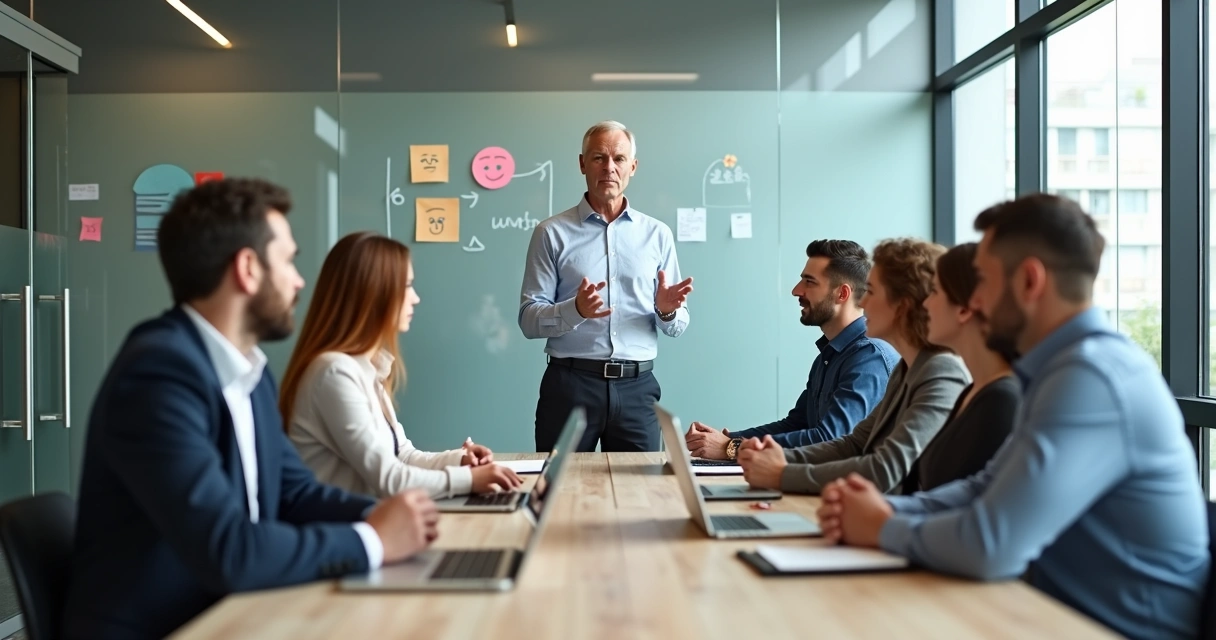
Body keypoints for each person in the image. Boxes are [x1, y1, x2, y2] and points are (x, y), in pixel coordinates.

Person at [816, 194, 1211, 640]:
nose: (975, 298)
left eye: (982, 279)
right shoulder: (1059, 369)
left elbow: (992, 543)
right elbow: (985, 489)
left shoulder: (1092, 377)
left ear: (1028, 281)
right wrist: (884, 508)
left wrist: (883, 526)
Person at [62, 178, 439, 639]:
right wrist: (374, 539)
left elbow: (295, 494)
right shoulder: (159, 374)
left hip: (233, 611)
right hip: (170, 627)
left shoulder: (248, 369)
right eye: (288, 260)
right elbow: (229, 549)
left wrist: (394, 518)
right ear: (247, 268)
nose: (300, 280)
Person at [280, 231, 523, 499]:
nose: (415, 298)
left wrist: (460, 460)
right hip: (348, 531)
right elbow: (389, 479)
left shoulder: (366, 367)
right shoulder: (335, 372)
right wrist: (469, 479)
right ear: (373, 293)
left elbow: (402, 456)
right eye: (407, 286)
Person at [736, 238, 969, 495]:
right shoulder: (907, 369)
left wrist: (781, 473)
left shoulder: (940, 372)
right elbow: (854, 444)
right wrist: (767, 456)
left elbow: (884, 469)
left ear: (901, 307)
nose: (863, 302)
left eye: (870, 291)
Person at [519, 120, 694, 452]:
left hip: (637, 389)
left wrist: (666, 311)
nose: (609, 167)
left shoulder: (657, 235)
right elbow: (528, 320)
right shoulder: (551, 233)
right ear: (582, 163)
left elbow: (678, 326)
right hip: (570, 386)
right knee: (560, 492)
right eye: (598, 157)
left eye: (619, 158)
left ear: (633, 166)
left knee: (640, 496)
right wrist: (576, 310)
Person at [684, 239, 899, 459]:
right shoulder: (829, 355)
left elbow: (830, 438)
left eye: (809, 282)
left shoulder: (869, 357)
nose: (796, 291)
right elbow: (797, 424)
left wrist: (733, 448)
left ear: (842, 294)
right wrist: (725, 439)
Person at [902, 242, 1019, 493]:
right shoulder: (973, 390)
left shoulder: (1001, 400)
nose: (925, 304)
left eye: (934, 292)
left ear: (965, 310)